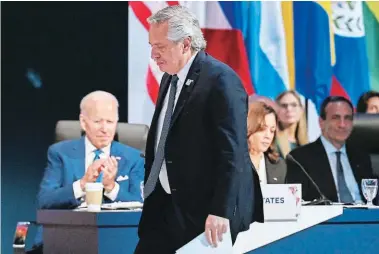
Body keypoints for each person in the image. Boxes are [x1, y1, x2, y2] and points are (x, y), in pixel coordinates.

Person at [135, 5, 263, 254]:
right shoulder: (168, 78)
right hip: (166, 209)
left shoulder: (221, 80)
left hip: (205, 214)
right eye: (152, 45)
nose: (153, 55)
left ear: (185, 44)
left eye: (160, 47)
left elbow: (232, 153)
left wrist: (220, 211)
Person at [31, 91, 144, 252]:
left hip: (115, 241)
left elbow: (141, 207)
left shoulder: (133, 158)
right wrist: (83, 183)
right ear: (84, 123)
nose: (105, 129)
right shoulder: (60, 154)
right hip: (65, 239)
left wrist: (111, 187)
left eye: (110, 122)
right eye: (98, 121)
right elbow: (45, 200)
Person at [286, 96, 376, 203]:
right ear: (321, 122)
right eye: (336, 118)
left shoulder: (361, 157)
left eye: (347, 118)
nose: (342, 125)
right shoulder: (299, 158)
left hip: (366, 217)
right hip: (327, 218)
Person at [247, 101, 287, 184]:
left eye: (272, 131)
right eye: (262, 129)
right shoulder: (232, 163)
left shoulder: (278, 165)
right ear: (248, 128)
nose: (268, 136)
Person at [275, 90, 308, 158]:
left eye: (294, 105)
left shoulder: (306, 143)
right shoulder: (272, 143)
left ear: (301, 110)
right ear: (276, 110)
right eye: (284, 105)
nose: (289, 109)